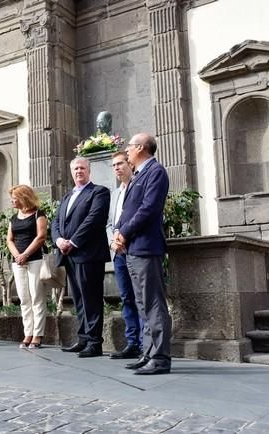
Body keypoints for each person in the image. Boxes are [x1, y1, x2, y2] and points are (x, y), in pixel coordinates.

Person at [113, 132, 171, 375]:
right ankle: (148, 353)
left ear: (140, 148)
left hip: (146, 247)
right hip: (133, 248)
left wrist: (124, 232)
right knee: (142, 303)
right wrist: (120, 233)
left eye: (129, 147)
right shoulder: (139, 174)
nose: (126, 151)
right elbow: (131, 209)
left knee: (153, 303)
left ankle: (160, 358)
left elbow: (148, 209)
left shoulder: (155, 172)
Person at [51, 157, 110, 358]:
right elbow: (55, 223)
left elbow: (94, 220)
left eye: (82, 168)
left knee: (91, 299)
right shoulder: (67, 197)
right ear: (71, 171)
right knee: (78, 300)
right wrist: (58, 240)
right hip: (69, 255)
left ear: (89, 170)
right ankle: (84, 338)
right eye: (75, 168)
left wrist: (73, 242)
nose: (79, 171)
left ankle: (95, 343)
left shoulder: (99, 192)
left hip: (88, 254)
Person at [106, 152, 142, 359]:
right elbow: (110, 223)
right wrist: (113, 241)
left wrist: (125, 238)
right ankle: (132, 342)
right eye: (114, 165)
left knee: (141, 298)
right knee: (127, 297)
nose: (117, 168)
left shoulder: (138, 187)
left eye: (120, 163)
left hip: (135, 248)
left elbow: (140, 216)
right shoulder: (114, 194)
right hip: (118, 252)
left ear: (130, 165)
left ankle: (146, 345)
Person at [6, 185, 48, 349]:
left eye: (14, 197)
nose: (12, 200)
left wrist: (26, 255)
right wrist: (17, 255)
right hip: (18, 262)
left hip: (34, 260)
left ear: (23, 197)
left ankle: (38, 335)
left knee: (37, 297)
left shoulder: (39, 213)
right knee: (24, 299)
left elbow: (41, 236)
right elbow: (9, 239)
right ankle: (28, 333)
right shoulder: (14, 217)